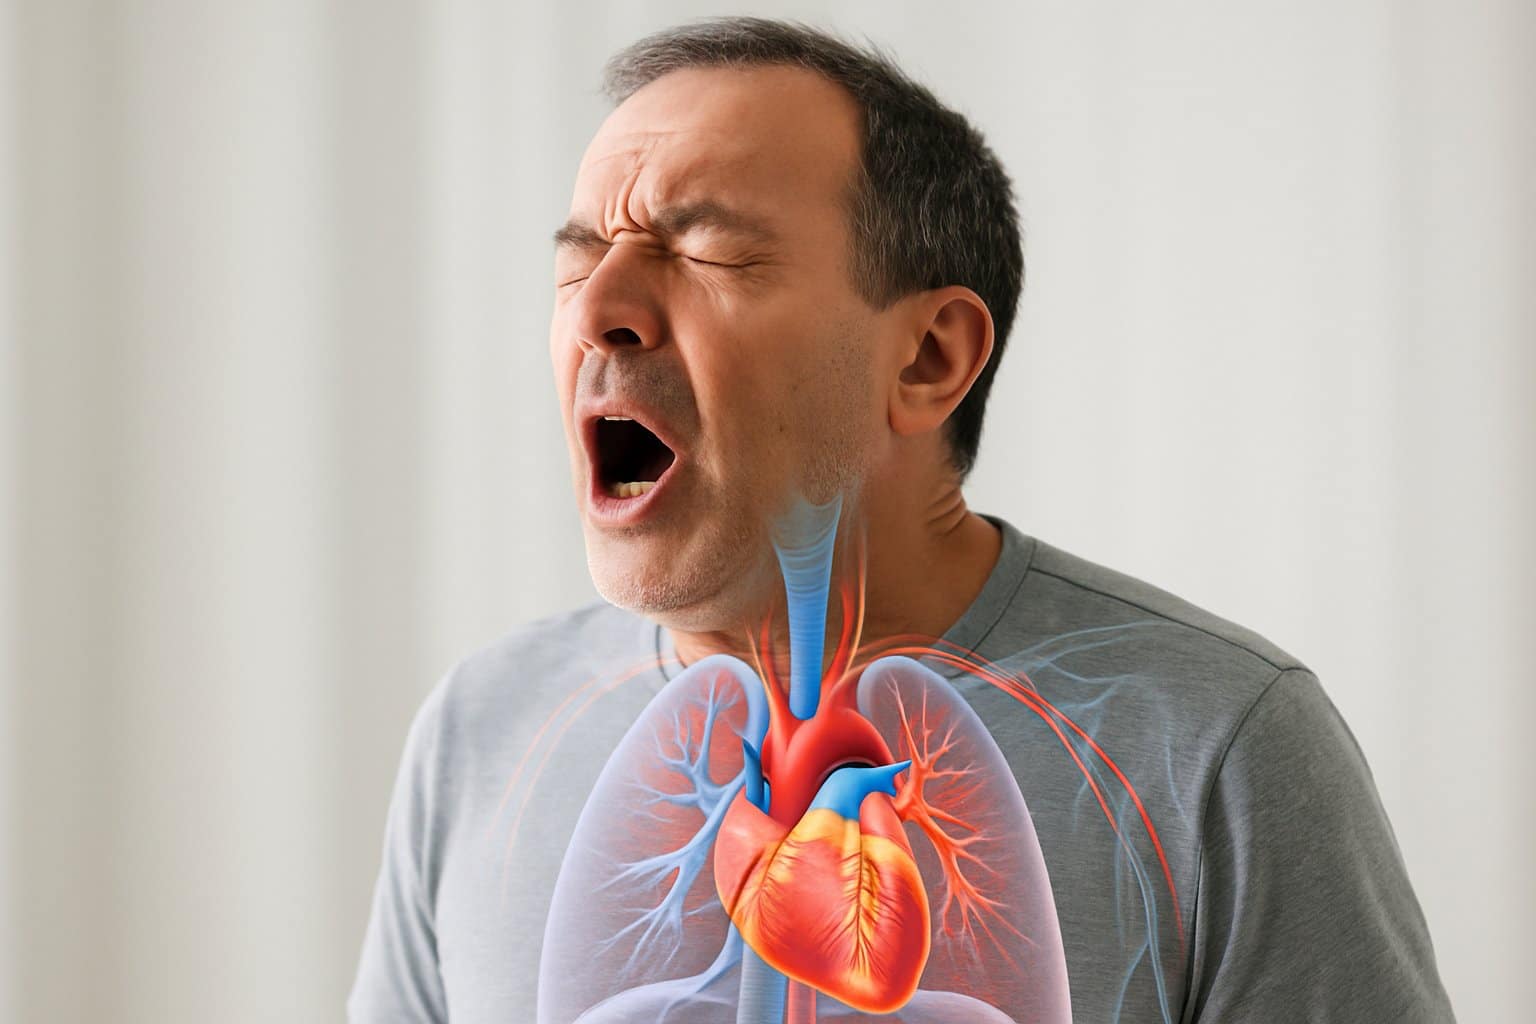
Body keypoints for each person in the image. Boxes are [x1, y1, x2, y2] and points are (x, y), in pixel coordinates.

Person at [348, 16, 1454, 1023]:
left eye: (706, 251)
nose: (598, 311)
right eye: (579, 263)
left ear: (927, 358)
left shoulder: (1214, 748)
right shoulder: (482, 734)